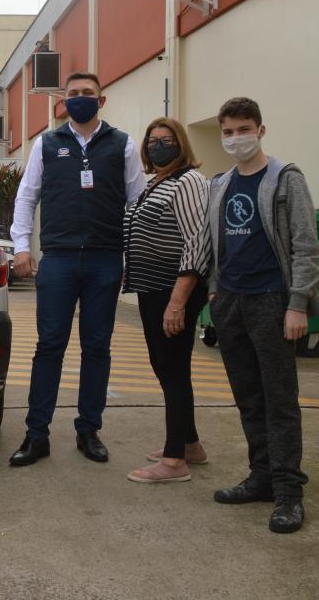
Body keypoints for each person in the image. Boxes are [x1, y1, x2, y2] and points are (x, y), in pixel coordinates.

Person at [8, 72, 146, 467]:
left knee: (97, 346)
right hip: (60, 259)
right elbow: (27, 196)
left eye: (88, 94)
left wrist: (130, 260)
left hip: (105, 259)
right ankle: (37, 435)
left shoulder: (123, 144)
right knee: (49, 345)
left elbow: (136, 203)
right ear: (62, 102)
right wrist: (21, 248)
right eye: (73, 95)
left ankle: (89, 429)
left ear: (101, 101)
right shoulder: (47, 144)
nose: (81, 99)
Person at [207, 97, 319, 534]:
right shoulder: (220, 183)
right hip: (232, 301)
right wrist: (216, 293)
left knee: (279, 399)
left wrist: (298, 304)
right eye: (229, 131)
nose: (236, 138)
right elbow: (217, 244)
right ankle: (261, 477)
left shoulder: (286, 179)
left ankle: (289, 491)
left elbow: (307, 246)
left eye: (244, 129)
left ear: (261, 130)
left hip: (272, 300)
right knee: (249, 396)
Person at [121, 117, 211, 483]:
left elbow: (196, 240)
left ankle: (175, 461)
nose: (159, 146)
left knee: (172, 370)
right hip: (151, 288)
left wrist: (178, 301)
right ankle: (189, 443)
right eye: (153, 140)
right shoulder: (154, 183)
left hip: (172, 292)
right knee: (165, 367)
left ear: (181, 143)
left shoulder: (188, 180)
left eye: (167, 140)